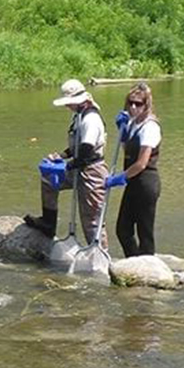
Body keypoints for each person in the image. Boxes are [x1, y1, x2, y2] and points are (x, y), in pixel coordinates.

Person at [24, 79, 109, 247]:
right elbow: (76, 146)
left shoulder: (91, 120)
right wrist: (61, 156)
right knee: (48, 180)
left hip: (92, 171)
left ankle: (99, 252)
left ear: (81, 100)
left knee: (90, 219)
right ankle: (48, 223)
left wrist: (66, 166)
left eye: (70, 102)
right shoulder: (79, 116)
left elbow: (86, 152)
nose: (67, 106)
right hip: (78, 166)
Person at [106, 82, 161, 257]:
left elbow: (141, 163)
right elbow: (127, 151)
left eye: (138, 103)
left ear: (147, 105)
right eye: (130, 102)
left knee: (144, 231)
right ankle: (134, 261)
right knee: (123, 229)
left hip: (146, 182)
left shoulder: (150, 127)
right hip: (133, 181)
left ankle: (147, 266)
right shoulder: (132, 124)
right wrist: (122, 133)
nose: (133, 107)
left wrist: (119, 177)